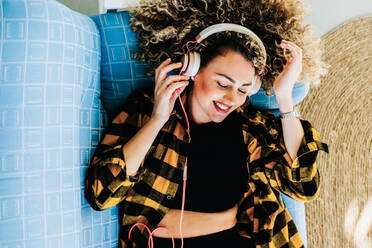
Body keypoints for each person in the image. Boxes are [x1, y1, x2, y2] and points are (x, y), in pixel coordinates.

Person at [84, 1, 329, 247]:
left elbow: (304, 187)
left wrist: (284, 97)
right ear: (194, 69)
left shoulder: (252, 128)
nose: (232, 99)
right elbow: (101, 193)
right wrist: (158, 120)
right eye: (223, 84)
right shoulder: (146, 108)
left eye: (243, 89)